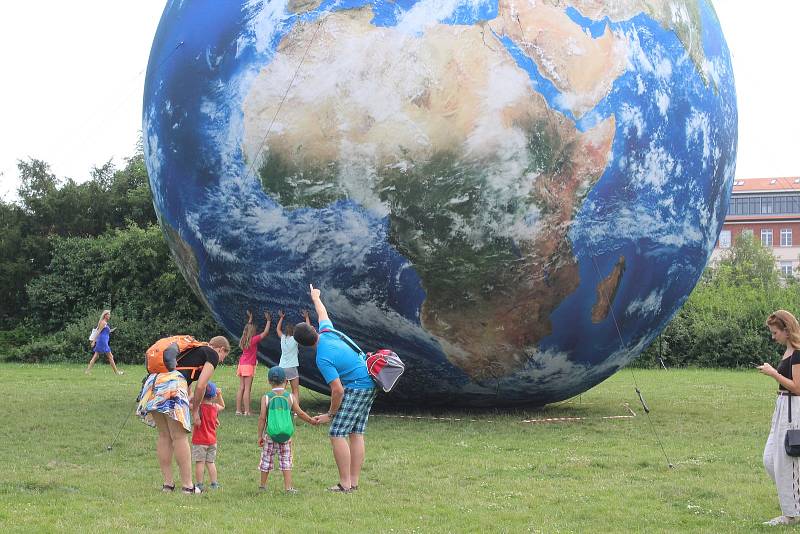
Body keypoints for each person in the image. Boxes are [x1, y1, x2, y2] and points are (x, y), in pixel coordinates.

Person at [294, 284, 377, 493]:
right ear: (314, 329)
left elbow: (338, 390)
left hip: (357, 387)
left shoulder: (322, 357)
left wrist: (330, 414)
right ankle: (354, 482)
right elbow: (323, 312)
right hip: (370, 381)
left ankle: (345, 484)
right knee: (356, 432)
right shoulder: (328, 331)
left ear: (302, 346)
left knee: (337, 432)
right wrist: (315, 297)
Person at [137, 335, 230, 494]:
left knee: (164, 435)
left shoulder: (192, 349)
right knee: (179, 437)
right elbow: (201, 386)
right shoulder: (211, 354)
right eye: (223, 357)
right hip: (172, 384)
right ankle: (188, 486)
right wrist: (195, 411)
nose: (220, 361)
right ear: (220, 349)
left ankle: (168, 484)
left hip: (154, 382)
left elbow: (187, 378)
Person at [758, 309, 800, 526]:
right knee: (769, 459)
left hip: (793, 408)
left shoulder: (798, 354)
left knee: (787, 461)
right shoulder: (788, 352)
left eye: (775, 332)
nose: (773, 337)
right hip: (782, 405)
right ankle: (792, 501)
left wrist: (773, 372)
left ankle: (790, 515)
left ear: (786, 329)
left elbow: (798, 387)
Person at [257, 366, 316, 493]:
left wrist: (260, 436)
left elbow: (262, 418)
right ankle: (288, 487)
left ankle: (262, 486)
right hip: (286, 435)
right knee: (286, 459)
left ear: (269, 381)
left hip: (270, 435)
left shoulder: (266, 397)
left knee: (266, 459)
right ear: (286, 381)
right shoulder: (290, 397)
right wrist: (311, 420)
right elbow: (299, 413)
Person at [237, 310, 271, 416]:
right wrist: (268, 320)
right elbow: (265, 333)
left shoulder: (243, 340)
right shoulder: (253, 340)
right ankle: (247, 411)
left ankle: (238, 410)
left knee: (241, 387)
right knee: (247, 389)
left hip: (241, 365)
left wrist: (250, 318)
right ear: (252, 332)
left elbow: (246, 328)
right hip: (248, 366)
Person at [192, 381, 225, 491]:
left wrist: (193, 395)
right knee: (210, 462)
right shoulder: (215, 407)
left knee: (200, 462)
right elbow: (223, 406)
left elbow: (187, 403)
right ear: (214, 395)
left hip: (199, 441)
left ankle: (199, 484)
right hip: (212, 441)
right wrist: (220, 395)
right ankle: (214, 483)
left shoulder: (198, 408)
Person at [276, 309, 310, 404]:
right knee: (295, 391)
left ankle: (279, 407)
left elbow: (277, 329)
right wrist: (306, 317)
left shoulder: (283, 338)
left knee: (280, 390)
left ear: (285, 331)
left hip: (282, 367)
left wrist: (281, 318)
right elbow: (307, 331)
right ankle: (296, 411)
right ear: (294, 331)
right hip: (292, 368)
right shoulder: (295, 339)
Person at [85, 309, 123, 375]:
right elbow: (98, 332)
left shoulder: (104, 323)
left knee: (96, 357)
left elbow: (105, 331)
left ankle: (87, 371)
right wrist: (94, 341)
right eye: (108, 314)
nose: (109, 316)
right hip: (103, 342)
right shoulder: (103, 322)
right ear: (105, 315)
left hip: (103, 341)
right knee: (110, 356)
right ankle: (117, 372)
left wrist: (111, 330)